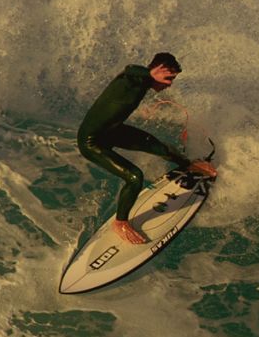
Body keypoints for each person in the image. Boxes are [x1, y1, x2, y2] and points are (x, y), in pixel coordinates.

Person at [77, 51, 219, 244]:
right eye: (168, 78)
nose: (169, 83)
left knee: (161, 148)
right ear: (155, 70)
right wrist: (150, 74)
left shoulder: (143, 84)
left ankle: (189, 165)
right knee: (135, 177)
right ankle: (120, 223)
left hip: (113, 130)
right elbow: (129, 70)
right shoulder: (130, 79)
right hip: (92, 142)